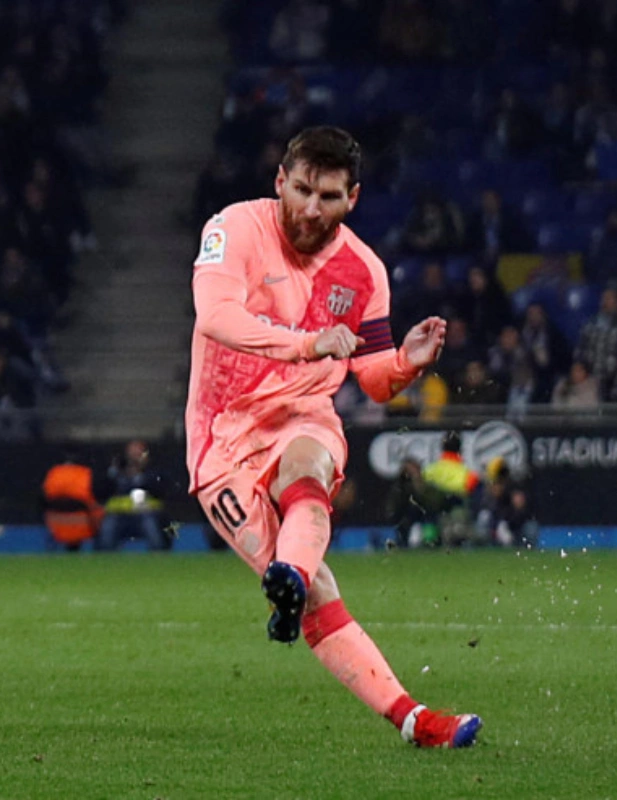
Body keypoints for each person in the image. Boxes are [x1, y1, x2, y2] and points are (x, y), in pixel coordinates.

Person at [187, 126, 481, 749]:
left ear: (353, 198)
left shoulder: (365, 272)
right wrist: (306, 344)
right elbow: (215, 316)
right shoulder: (234, 229)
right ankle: (298, 587)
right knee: (321, 592)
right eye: (301, 190)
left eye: (327, 197)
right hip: (221, 439)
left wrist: (404, 363)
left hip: (302, 414)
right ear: (280, 182)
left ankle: (416, 721)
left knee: (309, 466)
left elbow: (371, 378)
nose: (310, 209)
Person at [97, 440, 170, 551]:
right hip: (118, 514)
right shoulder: (116, 474)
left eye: (138, 454)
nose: (134, 458)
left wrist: (141, 476)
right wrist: (115, 472)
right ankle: (105, 556)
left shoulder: (153, 473)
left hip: (146, 513)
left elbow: (161, 491)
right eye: (132, 454)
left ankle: (159, 554)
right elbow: (102, 490)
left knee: (152, 528)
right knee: (108, 528)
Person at [422, 431, 481, 546]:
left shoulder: (428, 472)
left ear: (442, 448)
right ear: (460, 449)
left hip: (434, 518)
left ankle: (428, 536)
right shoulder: (469, 475)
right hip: (458, 519)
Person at [40, 451, 103, 552]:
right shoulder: (85, 473)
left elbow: (45, 498)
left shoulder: (53, 473)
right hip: (83, 525)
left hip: (56, 524)